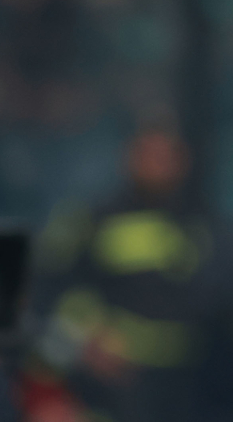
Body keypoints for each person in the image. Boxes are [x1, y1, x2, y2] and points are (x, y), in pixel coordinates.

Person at [27, 123, 228, 422]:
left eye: (167, 153)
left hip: (192, 386)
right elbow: (50, 293)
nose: (157, 162)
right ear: (128, 155)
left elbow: (217, 303)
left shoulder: (208, 227)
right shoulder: (92, 221)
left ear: (184, 159)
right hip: (113, 383)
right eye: (148, 151)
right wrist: (82, 341)